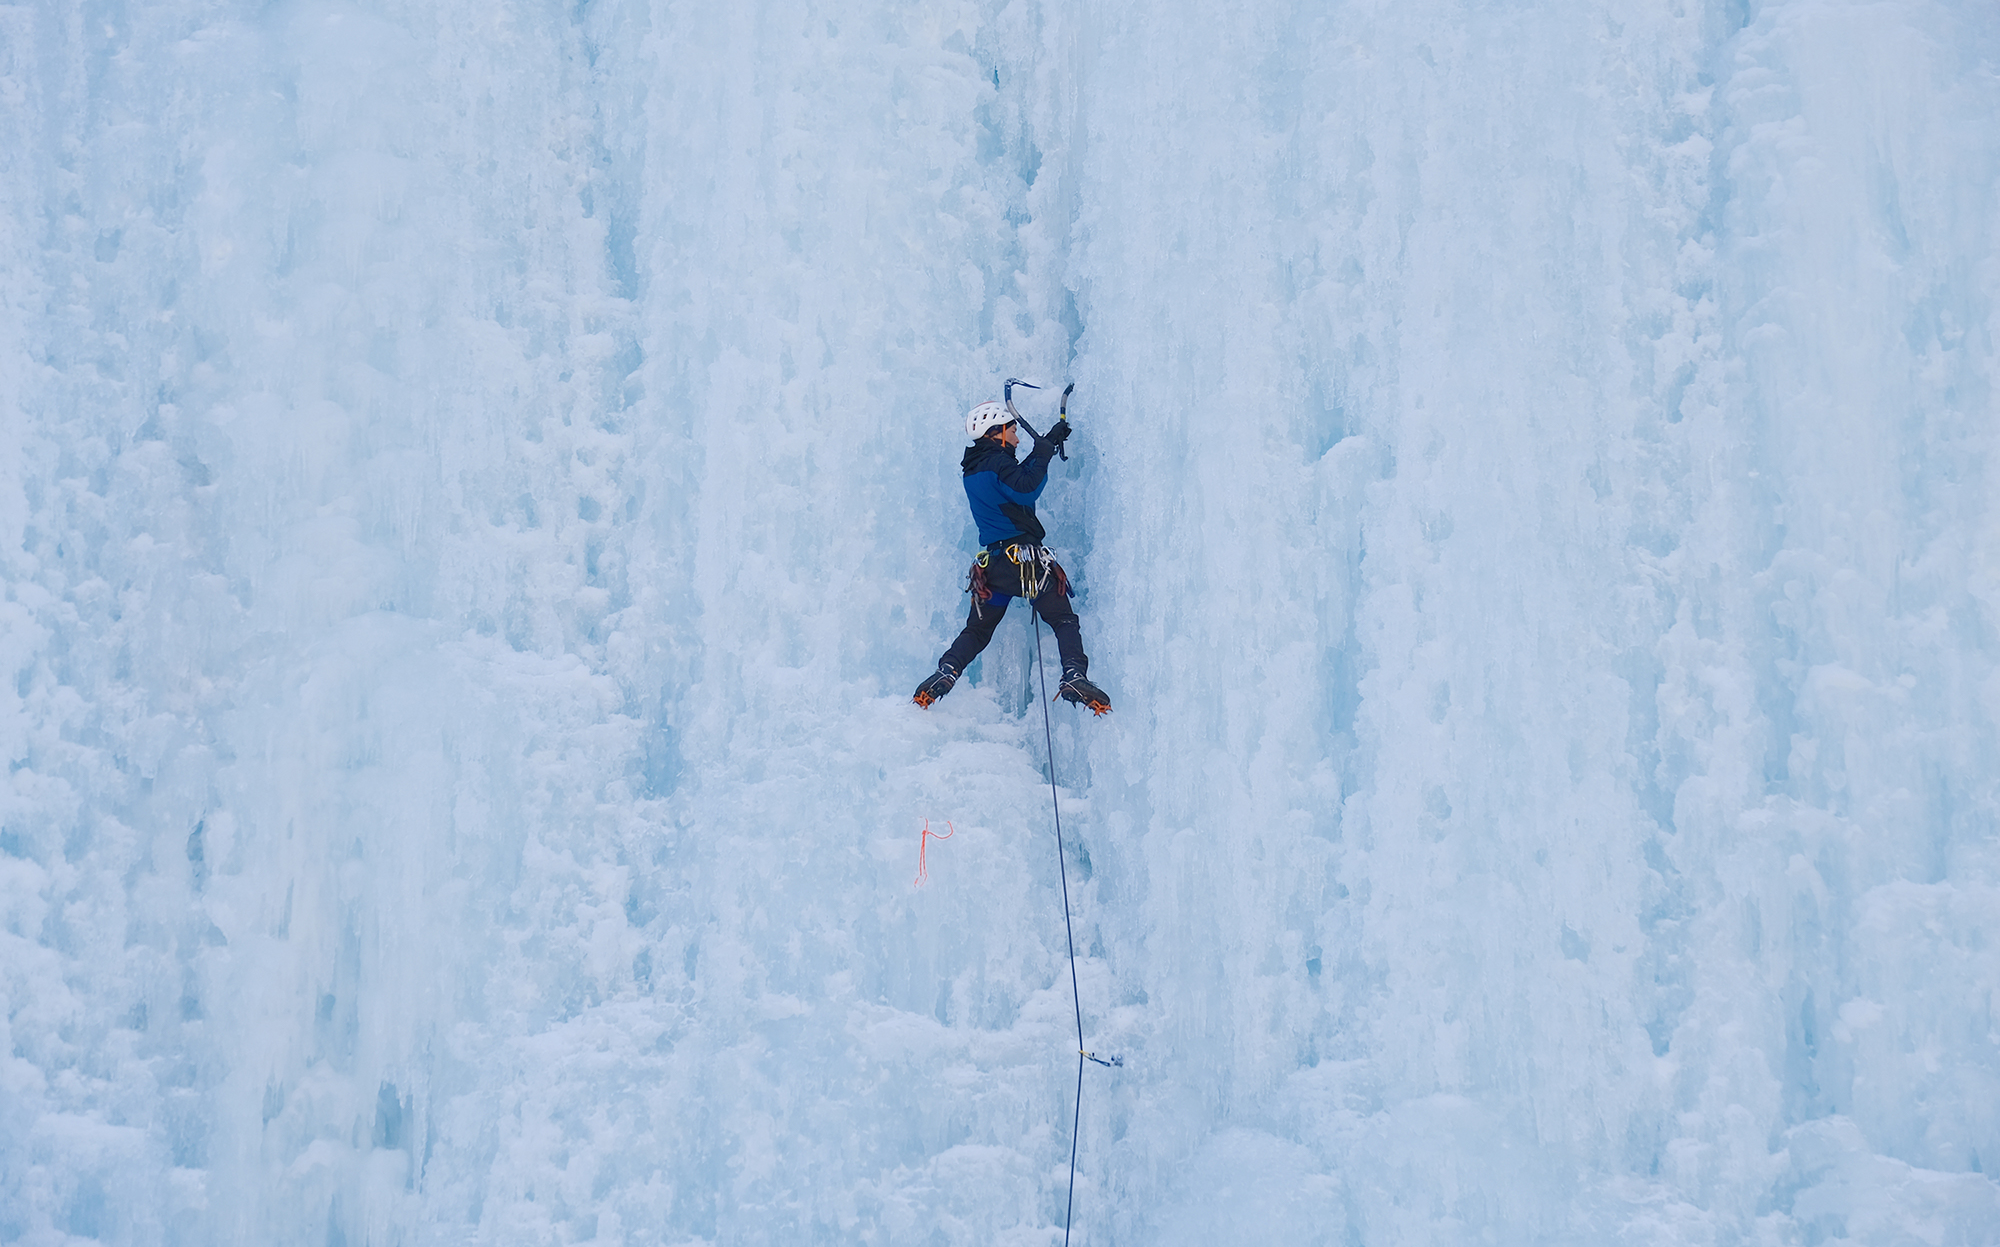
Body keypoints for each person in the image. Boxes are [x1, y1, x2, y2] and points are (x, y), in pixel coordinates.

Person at [912, 395, 1111, 715]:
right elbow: (1025, 488)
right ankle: (1074, 675)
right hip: (1026, 565)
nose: (1017, 437)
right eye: (1013, 430)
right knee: (1062, 619)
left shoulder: (975, 469)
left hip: (994, 569)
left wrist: (1043, 446)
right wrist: (1043, 453)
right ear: (997, 432)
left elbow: (1012, 483)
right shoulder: (998, 464)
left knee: (976, 631)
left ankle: (946, 671)